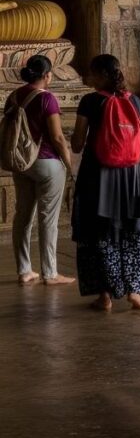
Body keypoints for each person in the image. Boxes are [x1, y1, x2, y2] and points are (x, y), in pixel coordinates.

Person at [71, 54, 140, 310]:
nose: (89, 78)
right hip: (131, 176)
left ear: (103, 75)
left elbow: (76, 143)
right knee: (132, 231)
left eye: (93, 73)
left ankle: (105, 295)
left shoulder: (90, 102)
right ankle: (135, 294)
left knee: (100, 232)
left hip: (98, 175)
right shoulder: (136, 102)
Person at [7, 55, 75, 286]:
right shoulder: (48, 99)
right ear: (47, 75)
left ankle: (24, 270)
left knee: (22, 215)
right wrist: (68, 162)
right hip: (47, 162)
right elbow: (56, 137)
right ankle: (50, 273)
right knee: (48, 219)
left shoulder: (14, 96)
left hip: (22, 162)